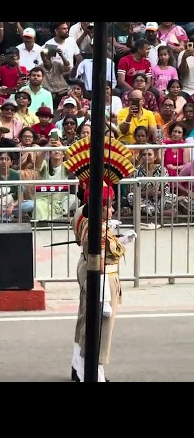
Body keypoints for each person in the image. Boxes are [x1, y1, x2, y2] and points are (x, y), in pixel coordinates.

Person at [63, 137, 136, 382]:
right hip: (102, 276)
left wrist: (120, 238)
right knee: (99, 330)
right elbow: (103, 258)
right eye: (109, 206)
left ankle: (79, 367)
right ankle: (94, 374)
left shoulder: (86, 218)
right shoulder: (93, 224)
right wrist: (104, 295)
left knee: (85, 322)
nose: (113, 210)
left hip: (91, 268)